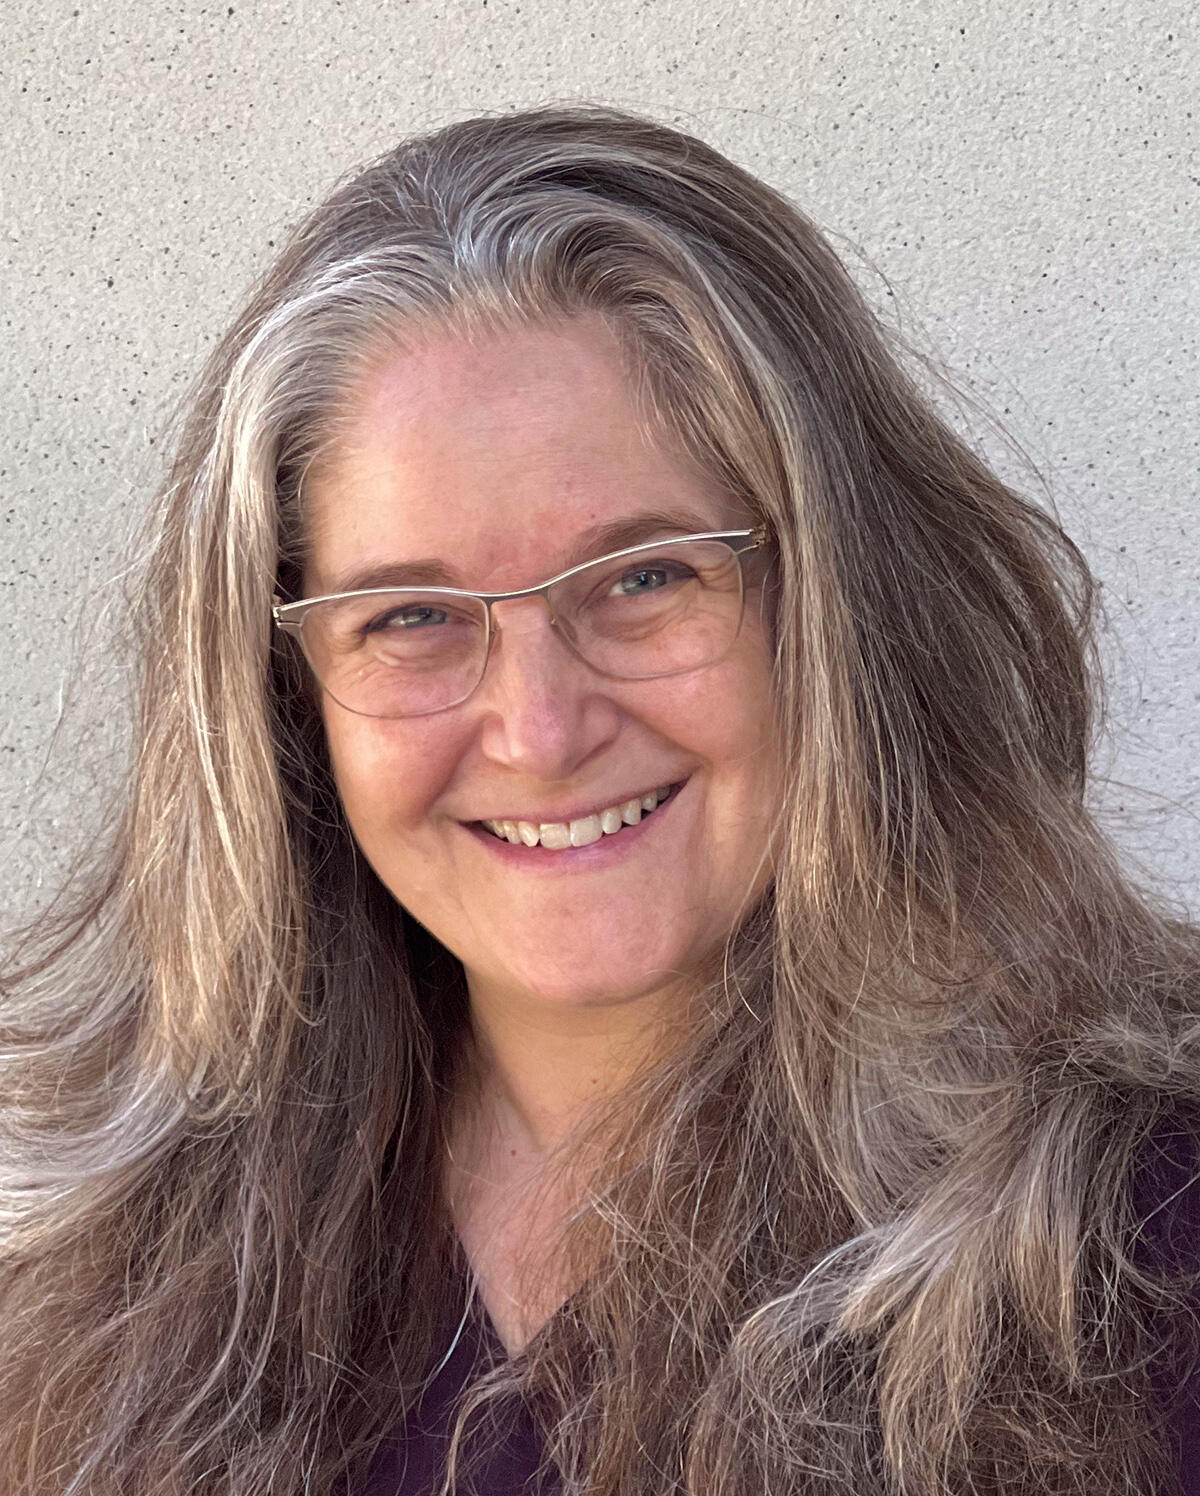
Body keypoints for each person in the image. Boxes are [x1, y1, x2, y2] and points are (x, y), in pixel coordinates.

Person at [1, 103, 1198, 1496]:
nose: (541, 727)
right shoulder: (98, 1285)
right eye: (412, 617)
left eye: (646, 578)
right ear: (285, 697)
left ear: (840, 607)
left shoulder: (1145, 1241)